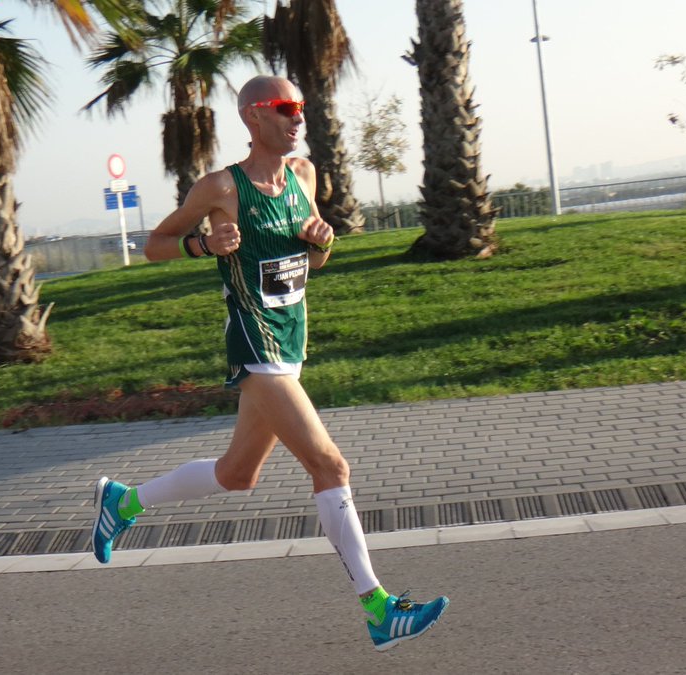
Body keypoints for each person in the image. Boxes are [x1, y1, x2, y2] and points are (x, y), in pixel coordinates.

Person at [91, 75, 448, 652]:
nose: (297, 116)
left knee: (237, 475)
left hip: (292, 339)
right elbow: (156, 243)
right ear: (254, 116)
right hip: (255, 346)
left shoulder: (303, 175)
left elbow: (313, 261)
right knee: (330, 466)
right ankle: (380, 609)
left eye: (300, 107)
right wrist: (204, 246)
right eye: (286, 108)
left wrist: (323, 241)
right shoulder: (220, 188)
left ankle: (123, 502)